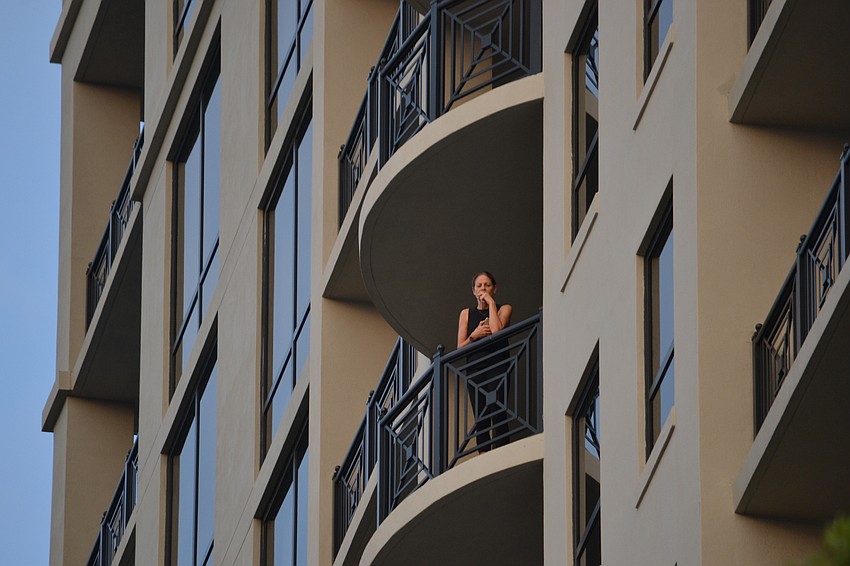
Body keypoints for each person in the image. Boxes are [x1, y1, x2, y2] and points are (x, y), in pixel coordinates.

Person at [456, 272, 513, 452]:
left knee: (498, 410)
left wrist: (491, 304)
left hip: (498, 365)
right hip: (475, 368)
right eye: (479, 286)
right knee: (481, 416)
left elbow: (497, 333)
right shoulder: (466, 313)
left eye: (487, 285)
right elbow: (460, 348)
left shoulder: (504, 308)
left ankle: (502, 453)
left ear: (494, 289)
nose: (483, 289)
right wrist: (475, 335)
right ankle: (483, 455)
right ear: (473, 291)